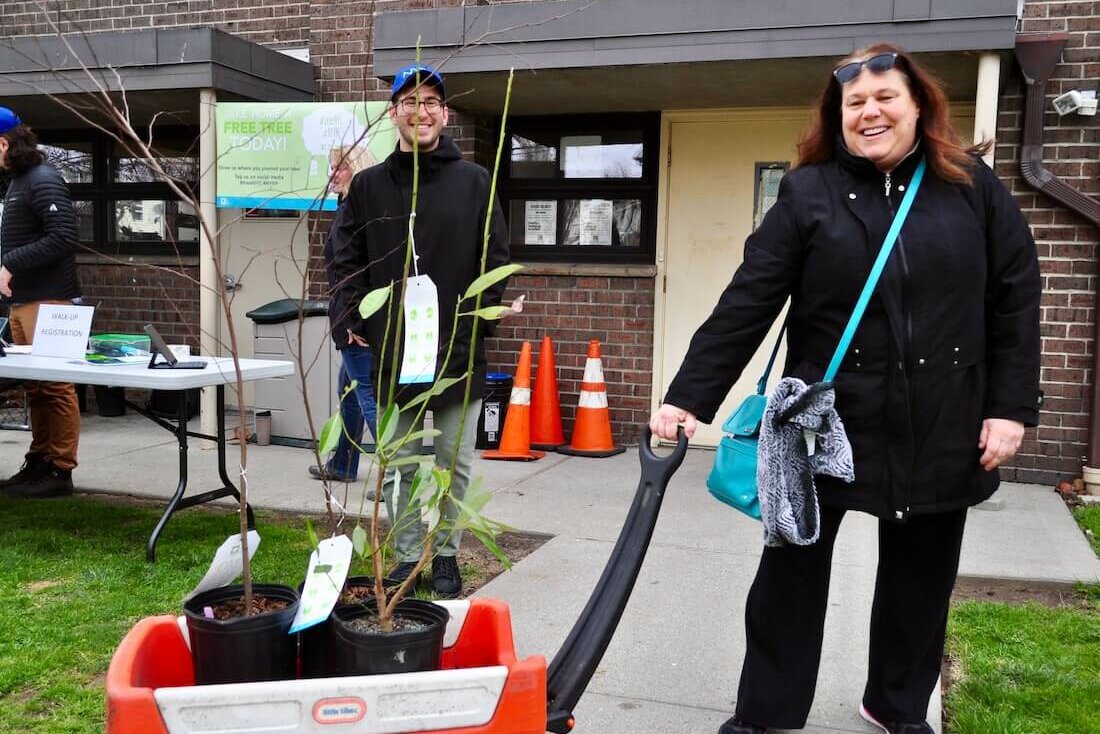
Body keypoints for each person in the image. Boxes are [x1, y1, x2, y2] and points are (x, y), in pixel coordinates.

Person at [650, 44, 1040, 734]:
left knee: (920, 579)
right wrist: (687, 396)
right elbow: (749, 300)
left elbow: (1015, 298)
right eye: (854, 102)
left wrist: (1009, 408)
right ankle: (765, 716)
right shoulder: (808, 192)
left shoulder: (972, 186)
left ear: (919, 105)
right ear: (838, 116)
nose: (871, 111)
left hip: (942, 418)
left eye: (886, 96)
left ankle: (895, 705)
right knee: (788, 581)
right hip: (819, 421)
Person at [330, 64, 510, 597]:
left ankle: (448, 554)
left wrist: (479, 323)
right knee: (403, 466)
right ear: (394, 114)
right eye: (409, 101)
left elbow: (495, 256)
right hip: (394, 354)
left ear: (445, 113)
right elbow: (346, 261)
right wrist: (353, 318)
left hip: (457, 349)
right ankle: (409, 558)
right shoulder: (367, 187)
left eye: (431, 101)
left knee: (453, 462)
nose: (421, 111)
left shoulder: (475, 182)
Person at [0, 107, 83, 498]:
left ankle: (60, 469)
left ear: (3, 143)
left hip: (49, 303)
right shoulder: (20, 181)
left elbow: (64, 237)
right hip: (27, 301)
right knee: (37, 388)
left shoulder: (43, 179)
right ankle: (39, 461)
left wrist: (10, 264)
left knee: (55, 387)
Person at [308, 143, 379, 484]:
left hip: (355, 322)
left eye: (339, 168)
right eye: (330, 168)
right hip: (355, 318)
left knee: (365, 393)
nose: (331, 175)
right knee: (349, 391)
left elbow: (353, 271)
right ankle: (343, 465)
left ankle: (395, 475)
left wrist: (352, 322)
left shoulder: (355, 211)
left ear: (358, 169)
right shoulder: (352, 208)